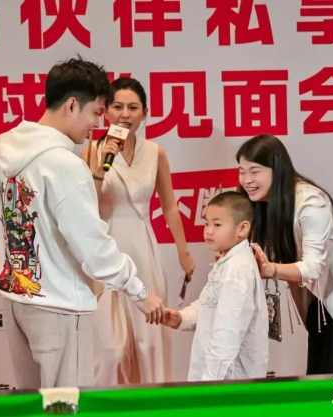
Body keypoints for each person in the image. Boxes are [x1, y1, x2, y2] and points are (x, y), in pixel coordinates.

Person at [0, 56, 164, 389]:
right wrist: (138, 290)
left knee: (35, 403)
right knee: (65, 404)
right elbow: (93, 246)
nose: (97, 123)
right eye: (96, 112)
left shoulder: (7, 155)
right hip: (59, 306)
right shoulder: (65, 165)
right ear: (71, 105)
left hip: (17, 298)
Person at [236, 134, 333, 374]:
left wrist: (270, 269)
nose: (247, 180)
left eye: (255, 171)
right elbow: (294, 271)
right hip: (323, 306)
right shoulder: (267, 206)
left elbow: (311, 268)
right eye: (241, 172)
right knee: (321, 383)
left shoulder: (311, 202)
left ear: (277, 169)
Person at [79, 77, 195, 385]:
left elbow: (170, 206)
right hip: (105, 249)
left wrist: (183, 251)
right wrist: (101, 166)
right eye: (117, 107)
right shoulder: (91, 151)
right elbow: (86, 206)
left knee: (149, 342)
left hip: (143, 249)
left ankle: (154, 401)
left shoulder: (155, 153)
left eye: (133, 107)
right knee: (111, 350)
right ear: (106, 112)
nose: (125, 115)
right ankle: (110, 404)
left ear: (145, 112)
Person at [159, 191, 269, 381]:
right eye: (206, 223)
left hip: (228, 384)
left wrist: (209, 384)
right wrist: (182, 318)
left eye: (217, 225)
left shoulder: (237, 271)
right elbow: (210, 303)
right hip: (216, 380)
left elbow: (226, 336)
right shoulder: (229, 263)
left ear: (242, 228)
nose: (209, 231)